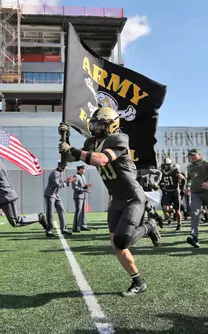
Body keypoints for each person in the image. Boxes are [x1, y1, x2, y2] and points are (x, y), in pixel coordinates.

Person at [58, 107, 161, 297]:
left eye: (100, 124)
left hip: (132, 197)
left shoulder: (119, 139)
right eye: (95, 124)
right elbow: (70, 158)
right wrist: (65, 138)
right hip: (116, 198)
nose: (96, 128)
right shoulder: (91, 142)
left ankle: (149, 226)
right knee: (117, 246)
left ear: (113, 125)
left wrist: (71, 149)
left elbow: (101, 160)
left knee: (123, 240)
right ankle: (138, 281)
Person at [185, 148, 208, 248]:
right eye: (190, 155)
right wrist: (188, 186)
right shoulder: (190, 166)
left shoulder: (206, 164)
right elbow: (189, 178)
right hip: (195, 193)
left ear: (199, 155)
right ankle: (194, 237)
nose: (191, 157)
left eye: (193, 155)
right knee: (194, 212)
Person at [44, 161, 76, 237]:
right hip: (50, 194)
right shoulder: (55, 173)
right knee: (50, 213)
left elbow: (61, 182)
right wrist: (68, 183)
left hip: (55, 194)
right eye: (65, 166)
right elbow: (58, 185)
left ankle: (64, 229)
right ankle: (49, 231)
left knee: (61, 209)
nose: (65, 168)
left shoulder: (61, 172)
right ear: (61, 166)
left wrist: (67, 181)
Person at [160, 158, 185, 230]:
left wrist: (182, 189)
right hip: (167, 192)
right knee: (165, 208)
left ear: (170, 164)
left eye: (167, 164)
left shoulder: (175, 171)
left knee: (178, 211)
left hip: (175, 192)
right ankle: (172, 210)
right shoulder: (162, 171)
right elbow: (160, 181)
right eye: (165, 164)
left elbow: (183, 179)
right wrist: (161, 188)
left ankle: (179, 224)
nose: (166, 166)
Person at [72, 165, 92, 232]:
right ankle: (75, 227)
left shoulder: (83, 176)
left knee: (83, 212)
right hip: (78, 197)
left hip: (83, 197)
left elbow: (82, 186)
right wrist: (84, 190)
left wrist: (86, 186)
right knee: (78, 212)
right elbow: (74, 187)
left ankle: (83, 226)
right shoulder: (75, 176)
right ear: (80, 169)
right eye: (83, 169)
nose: (84, 170)